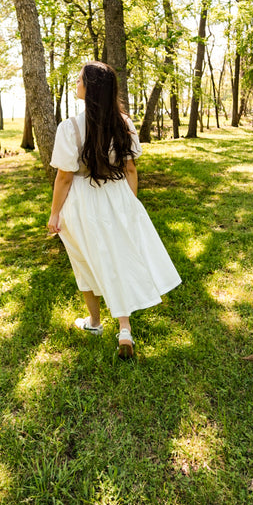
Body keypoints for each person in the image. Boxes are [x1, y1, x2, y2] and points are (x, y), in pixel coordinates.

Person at [47, 61, 182, 358]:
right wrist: (129, 204)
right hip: (118, 192)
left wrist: (55, 213)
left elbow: (65, 176)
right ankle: (124, 328)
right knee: (120, 256)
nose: (76, 83)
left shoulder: (69, 128)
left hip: (83, 200)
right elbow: (130, 168)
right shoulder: (124, 122)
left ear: (91, 88)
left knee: (85, 260)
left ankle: (95, 322)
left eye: (80, 79)